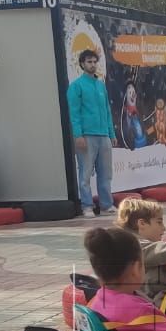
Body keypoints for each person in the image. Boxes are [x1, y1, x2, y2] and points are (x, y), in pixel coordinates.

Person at [68, 49, 115, 215]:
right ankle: (87, 206)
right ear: (82, 64)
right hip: (87, 136)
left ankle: (106, 205)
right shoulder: (76, 86)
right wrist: (78, 135)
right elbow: (74, 113)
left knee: (106, 173)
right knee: (85, 173)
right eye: (89, 62)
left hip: (104, 136)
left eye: (95, 62)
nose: (93, 65)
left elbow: (107, 111)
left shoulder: (100, 85)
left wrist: (111, 134)